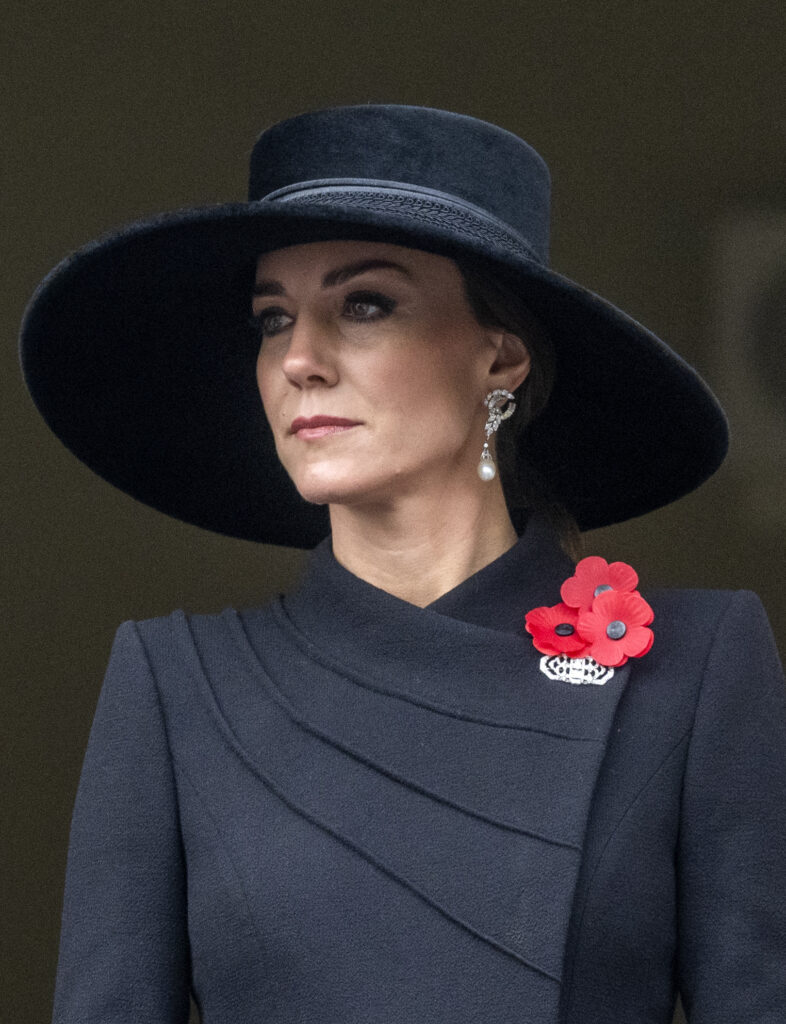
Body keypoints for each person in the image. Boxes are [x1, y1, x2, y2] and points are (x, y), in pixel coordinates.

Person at [20, 104, 786, 1024]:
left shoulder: (698, 669)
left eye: (365, 304)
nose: (299, 358)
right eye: (271, 320)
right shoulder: (175, 687)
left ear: (498, 357)